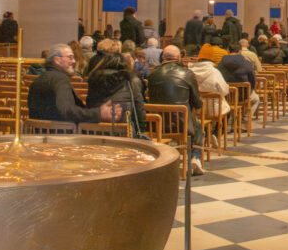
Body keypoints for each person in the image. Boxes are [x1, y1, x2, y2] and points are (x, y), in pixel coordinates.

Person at [147, 45, 205, 174]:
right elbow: (197, 102)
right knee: (199, 129)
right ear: (179, 58)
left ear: (162, 58)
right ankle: (195, 158)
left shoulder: (152, 74)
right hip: (181, 122)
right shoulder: (187, 73)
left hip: (157, 123)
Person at [28, 44, 120, 124]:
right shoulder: (60, 79)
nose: (73, 61)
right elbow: (67, 110)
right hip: (61, 139)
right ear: (57, 60)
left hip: (40, 137)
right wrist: (98, 113)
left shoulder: (39, 79)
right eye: (70, 57)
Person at [86, 52, 147, 134]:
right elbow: (139, 110)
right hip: (124, 133)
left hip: (97, 132)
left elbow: (89, 104)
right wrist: (140, 130)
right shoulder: (131, 81)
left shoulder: (94, 79)